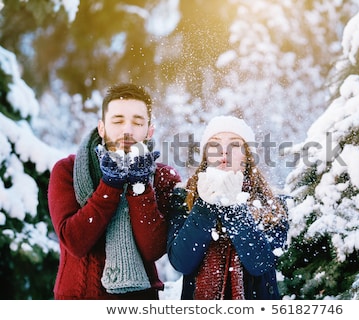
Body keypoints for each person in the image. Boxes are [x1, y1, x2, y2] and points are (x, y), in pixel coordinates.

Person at [48, 83, 181, 299]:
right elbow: (75, 242)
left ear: (149, 130)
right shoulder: (67, 170)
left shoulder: (163, 177)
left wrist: (140, 187)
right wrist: (110, 185)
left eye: (137, 122)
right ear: (101, 127)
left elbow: (153, 249)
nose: (127, 130)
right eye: (118, 121)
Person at [167, 115, 289, 299]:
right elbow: (182, 262)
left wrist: (234, 209)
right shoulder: (183, 198)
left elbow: (260, 263)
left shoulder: (272, 202)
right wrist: (204, 205)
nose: (224, 152)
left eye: (234, 145)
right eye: (215, 144)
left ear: (247, 156)